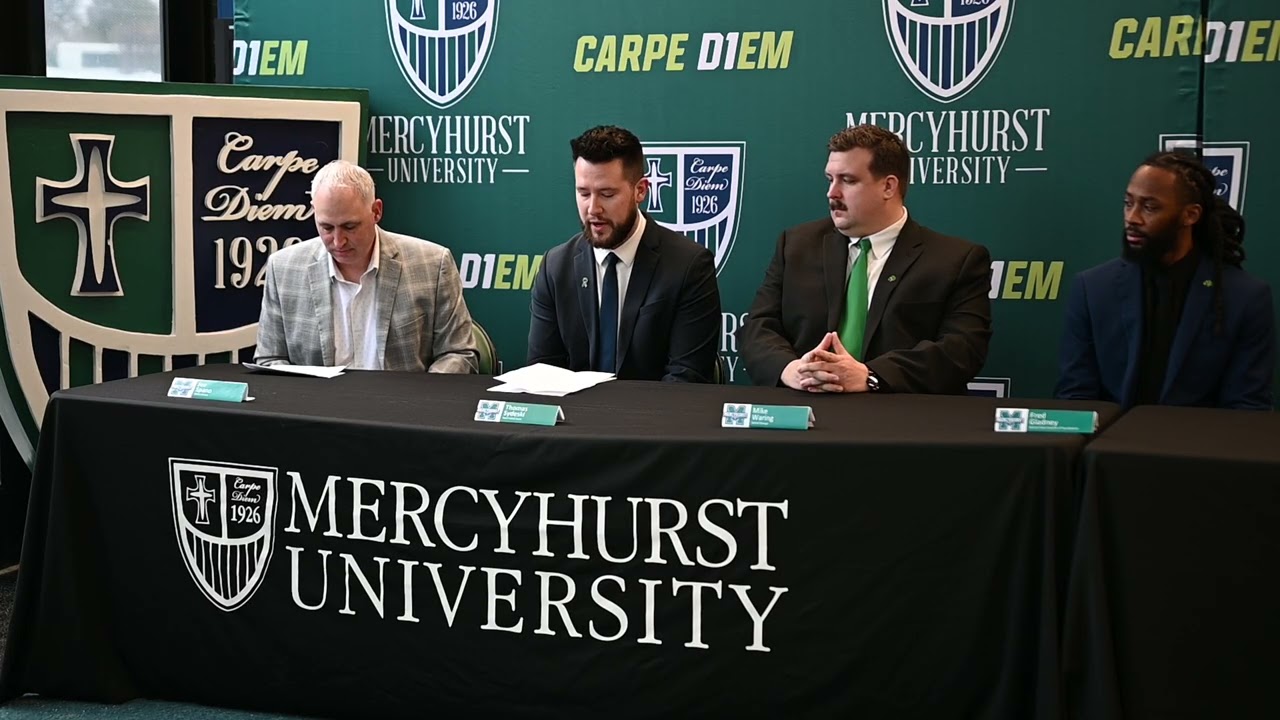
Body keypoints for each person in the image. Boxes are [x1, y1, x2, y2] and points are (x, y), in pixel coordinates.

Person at [737, 124, 992, 394]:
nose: (832, 193)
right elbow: (757, 327)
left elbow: (962, 349)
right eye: (829, 179)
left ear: (888, 186)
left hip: (900, 419)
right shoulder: (796, 245)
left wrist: (870, 376)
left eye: (848, 180)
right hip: (804, 411)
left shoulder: (955, 260)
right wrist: (791, 370)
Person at [1054, 150, 1275, 409]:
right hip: (1109, 446)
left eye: (1150, 207)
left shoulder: (1245, 297)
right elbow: (1075, 398)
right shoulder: (1092, 289)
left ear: (1190, 215)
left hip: (1201, 447)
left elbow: (1246, 408)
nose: (1132, 218)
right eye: (1128, 203)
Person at [526, 125, 722, 382]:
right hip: (574, 419)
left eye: (607, 194)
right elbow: (542, 373)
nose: (593, 209)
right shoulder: (555, 267)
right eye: (583, 193)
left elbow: (687, 379)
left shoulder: (689, 266)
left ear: (640, 190)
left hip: (655, 419)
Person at [254, 160, 477, 373]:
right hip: (315, 408)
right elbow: (269, 358)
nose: (338, 241)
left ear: (376, 211)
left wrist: (421, 400)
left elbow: (458, 352)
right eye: (326, 228)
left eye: (350, 226)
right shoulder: (283, 268)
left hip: (402, 408)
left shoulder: (432, 264)